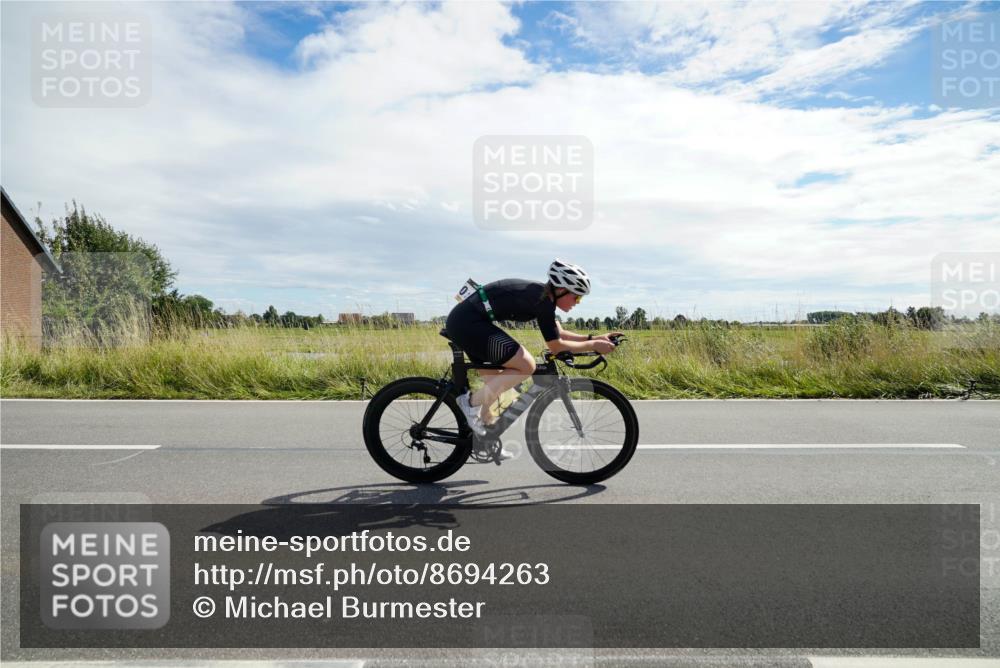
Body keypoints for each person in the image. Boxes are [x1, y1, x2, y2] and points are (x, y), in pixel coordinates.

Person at [445, 259, 621, 435]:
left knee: (498, 387)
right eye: (577, 296)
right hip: (468, 324)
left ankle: (486, 437)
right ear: (561, 290)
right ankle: (468, 404)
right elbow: (556, 346)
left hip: (468, 322)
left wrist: (595, 338)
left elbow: (560, 333)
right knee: (526, 365)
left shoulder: (542, 298)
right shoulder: (541, 301)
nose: (578, 302)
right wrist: (594, 346)